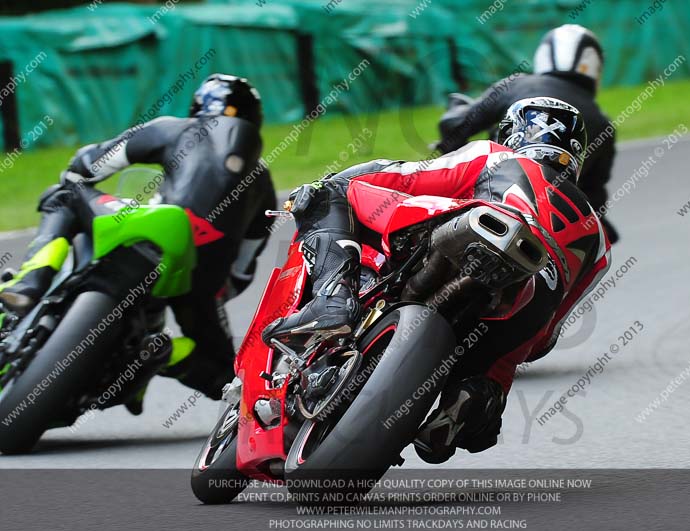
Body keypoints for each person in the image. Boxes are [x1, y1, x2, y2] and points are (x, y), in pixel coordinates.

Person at [261, 97, 611, 463]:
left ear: (514, 133)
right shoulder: (599, 239)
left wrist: (333, 182)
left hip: (474, 229)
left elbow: (405, 177)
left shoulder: (497, 157)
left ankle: (333, 297)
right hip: (524, 310)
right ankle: (477, 399)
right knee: (499, 367)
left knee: (333, 193)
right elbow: (545, 338)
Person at [0, 73, 277, 403]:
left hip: (150, 226)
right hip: (198, 282)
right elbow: (243, 271)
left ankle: (29, 281)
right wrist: (212, 291)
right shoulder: (265, 189)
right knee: (225, 378)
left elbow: (91, 163)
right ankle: (163, 350)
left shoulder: (176, 128)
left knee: (63, 193)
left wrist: (74, 176)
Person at [437, 24, 619, 243]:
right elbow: (594, 195)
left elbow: (456, 126)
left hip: (488, 198)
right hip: (550, 225)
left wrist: (454, 114)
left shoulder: (517, 84)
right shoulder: (604, 123)